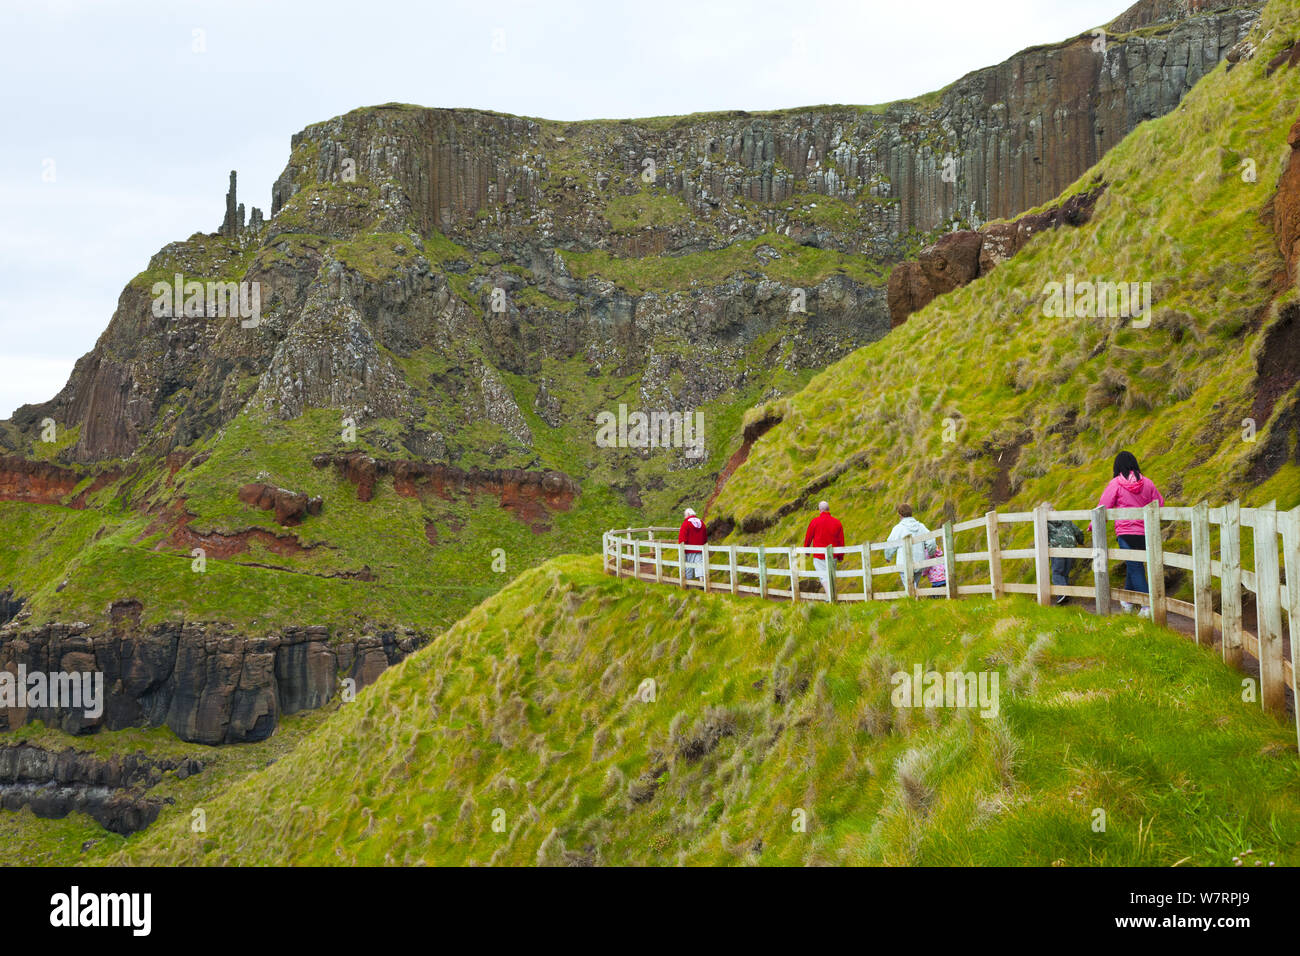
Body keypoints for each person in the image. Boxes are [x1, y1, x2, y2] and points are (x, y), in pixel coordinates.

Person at [1097, 451, 1165, 616]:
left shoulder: (1116, 483)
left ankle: (1147, 605)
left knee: (1135, 567)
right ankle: (1127, 600)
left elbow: (1103, 505)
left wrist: (1094, 524)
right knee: (1134, 565)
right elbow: (1160, 504)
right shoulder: (1148, 483)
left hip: (1125, 533)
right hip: (1145, 532)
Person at [1044, 502, 1086, 606]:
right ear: (1053, 509)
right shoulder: (1065, 517)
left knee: (1057, 573)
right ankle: (1064, 598)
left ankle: (1063, 594)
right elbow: (1078, 532)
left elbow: (1042, 537)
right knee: (1065, 573)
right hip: (1071, 549)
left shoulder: (1043, 521)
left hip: (1057, 549)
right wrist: (1081, 541)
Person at [884, 504, 930, 592]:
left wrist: (888, 556)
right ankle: (914, 602)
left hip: (904, 562)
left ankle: (912, 603)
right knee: (914, 586)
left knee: (909, 588)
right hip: (919, 561)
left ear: (900, 515)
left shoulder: (898, 528)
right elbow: (931, 540)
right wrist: (931, 552)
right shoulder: (921, 527)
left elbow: (890, 543)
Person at [802, 500, 846, 594]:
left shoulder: (814, 522)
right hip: (833, 555)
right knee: (831, 576)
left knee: (823, 577)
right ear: (828, 509)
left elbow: (808, 537)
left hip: (819, 555)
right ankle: (832, 597)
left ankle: (830, 598)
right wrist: (840, 556)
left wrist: (807, 550)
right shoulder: (837, 523)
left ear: (820, 510)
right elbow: (841, 541)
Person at [677, 507, 708, 580]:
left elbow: (682, 536)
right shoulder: (701, 522)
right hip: (700, 548)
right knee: (700, 566)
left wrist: (682, 546)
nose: (685, 517)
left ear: (688, 514)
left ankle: (688, 582)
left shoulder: (686, 523)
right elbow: (705, 536)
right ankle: (701, 582)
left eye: (685, 515)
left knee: (688, 566)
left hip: (689, 549)